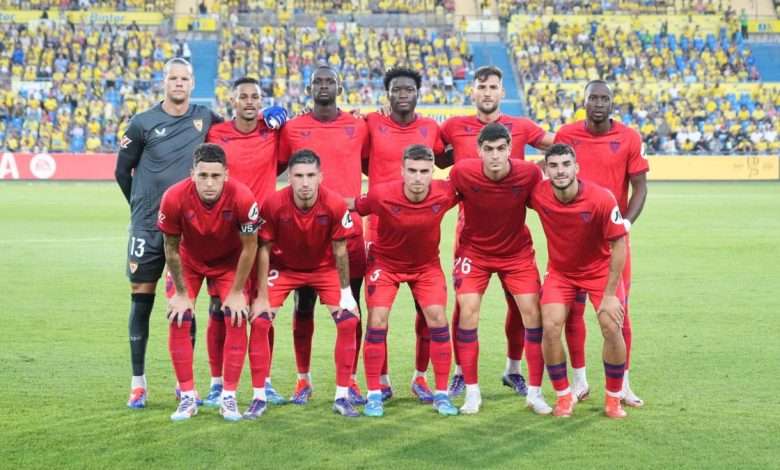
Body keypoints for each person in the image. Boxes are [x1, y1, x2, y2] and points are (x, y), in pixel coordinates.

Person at [439, 65, 554, 398]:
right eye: (481, 86)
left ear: (502, 92)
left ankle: (513, 369)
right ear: (472, 91)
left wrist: (543, 166)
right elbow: (429, 152)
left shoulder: (522, 126)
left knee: (520, 306)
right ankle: (461, 372)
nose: (487, 92)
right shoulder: (453, 126)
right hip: (470, 233)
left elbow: (559, 145)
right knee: (464, 306)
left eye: (493, 87)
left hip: (511, 230)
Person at [115, 58, 221, 409]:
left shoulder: (206, 118)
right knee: (141, 299)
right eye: (173, 78)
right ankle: (138, 383)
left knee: (184, 303)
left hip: (187, 230)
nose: (178, 83)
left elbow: (240, 131)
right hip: (147, 228)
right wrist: (140, 206)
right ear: (164, 82)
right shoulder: (142, 122)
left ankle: (183, 384)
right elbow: (122, 171)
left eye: (184, 78)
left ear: (192, 83)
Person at [554, 80, 648, 407]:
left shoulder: (629, 137)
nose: (598, 103)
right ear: (584, 102)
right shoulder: (566, 135)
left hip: (612, 243)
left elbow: (640, 186)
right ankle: (579, 381)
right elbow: (553, 174)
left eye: (603, 98)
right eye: (592, 98)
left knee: (619, 312)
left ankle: (623, 384)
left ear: (612, 103)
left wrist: (625, 224)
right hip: (572, 242)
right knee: (572, 312)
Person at [278, 65, 369, 406]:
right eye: (318, 81)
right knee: (303, 307)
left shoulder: (359, 126)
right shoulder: (292, 128)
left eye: (330, 80)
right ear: (309, 88)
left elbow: (376, 162)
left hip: (348, 234)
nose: (324, 85)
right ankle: (303, 379)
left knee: (351, 306)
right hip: (304, 236)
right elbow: (274, 165)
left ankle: (352, 379)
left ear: (340, 87)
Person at [251, 150, 361, 418]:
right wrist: (261, 295)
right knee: (260, 321)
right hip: (284, 269)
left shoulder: (334, 203)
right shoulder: (273, 203)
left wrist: (346, 293)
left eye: (311, 175)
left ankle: (342, 396)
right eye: (299, 176)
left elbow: (340, 250)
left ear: (320, 176)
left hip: (324, 269)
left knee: (349, 321)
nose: (305, 182)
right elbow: (263, 249)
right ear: (289, 177)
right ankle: (259, 397)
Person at [351, 144, 458, 417]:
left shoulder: (445, 192)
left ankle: (441, 394)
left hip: (426, 267)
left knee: (438, 318)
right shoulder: (381, 194)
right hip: (385, 265)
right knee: (377, 320)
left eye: (424, 171)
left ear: (432, 172)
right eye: (412, 171)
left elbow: (475, 191)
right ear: (402, 171)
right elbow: (353, 206)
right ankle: (374, 394)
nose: (418, 177)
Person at [448, 123, 548, 415]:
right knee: (467, 311)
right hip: (474, 253)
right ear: (479, 151)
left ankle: (535, 392)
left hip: (516, 253)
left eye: (501, 148)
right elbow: (440, 199)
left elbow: (547, 204)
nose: (495, 155)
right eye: (489, 149)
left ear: (510, 150)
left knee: (533, 314)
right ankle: (472, 392)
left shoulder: (529, 174)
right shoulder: (462, 173)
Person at [157, 143, 260, 421]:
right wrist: (181, 293)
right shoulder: (173, 197)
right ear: (192, 174)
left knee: (236, 317)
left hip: (229, 263)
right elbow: (170, 247)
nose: (209, 183)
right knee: (179, 317)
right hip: (188, 262)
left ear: (226, 174)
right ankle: (187, 397)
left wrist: (237, 292)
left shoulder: (243, 197)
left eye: (215, 176)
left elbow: (250, 247)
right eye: (203, 176)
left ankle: (229, 397)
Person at [204, 77, 288, 407]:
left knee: (263, 310)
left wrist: (283, 113)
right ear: (233, 101)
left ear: (261, 102)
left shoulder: (273, 131)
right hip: (226, 235)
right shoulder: (217, 134)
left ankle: (263, 381)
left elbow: (288, 155)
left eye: (255, 96)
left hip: (265, 235)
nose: (250, 101)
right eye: (244, 96)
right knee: (219, 308)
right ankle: (217, 383)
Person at [363, 67, 446, 403]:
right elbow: (358, 156)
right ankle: (381, 380)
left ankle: (420, 377)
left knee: (427, 313)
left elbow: (444, 158)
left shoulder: (430, 128)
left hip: (421, 235)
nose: (402, 94)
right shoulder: (371, 122)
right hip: (379, 231)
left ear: (417, 93)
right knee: (377, 314)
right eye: (396, 89)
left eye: (408, 89)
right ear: (387, 94)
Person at [529, 143, 628, 419]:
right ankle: (563, 396)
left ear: (576, 168)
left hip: (599, 271)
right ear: (546, 170)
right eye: (553, 166)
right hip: (560, 273)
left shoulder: (601, 198)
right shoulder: (538, 194)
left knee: (611, 326)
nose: (560, 171)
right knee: (550, 327)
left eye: (565, 165)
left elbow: (620, 245)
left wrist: (610, 294)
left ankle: (613, 398)